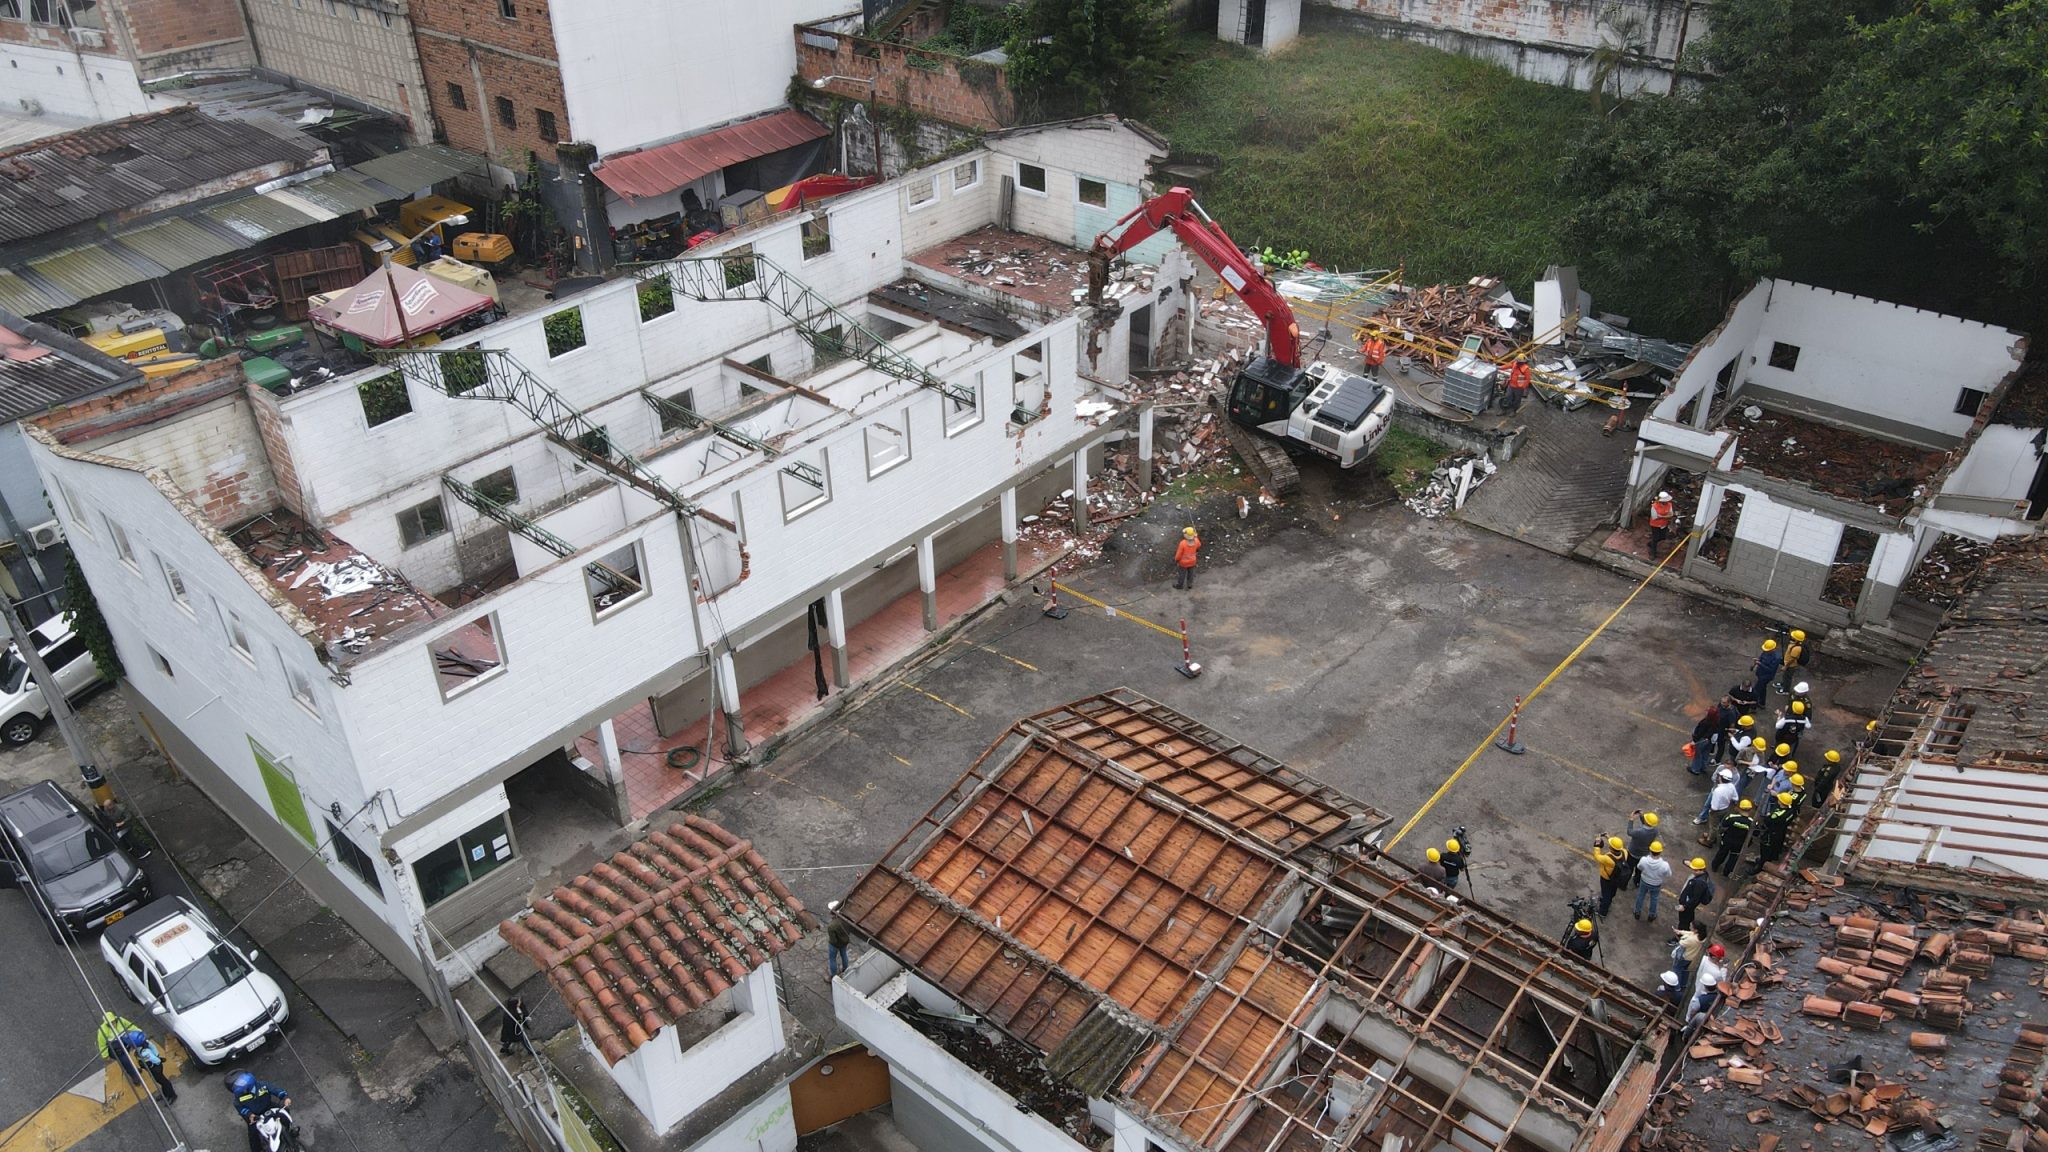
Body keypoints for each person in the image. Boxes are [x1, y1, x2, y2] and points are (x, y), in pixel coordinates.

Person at [229, 1070, 295, 1152]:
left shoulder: (263, 1085)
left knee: (285, 1111)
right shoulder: (238, 1097)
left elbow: (275, 1090)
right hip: (255, 1115)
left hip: (268, 1106)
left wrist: (285, 1097)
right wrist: (249, 1114)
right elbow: (241, 1108)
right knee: (253, 1135)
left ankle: (288, 1130)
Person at [120, 1028, 176, 1105]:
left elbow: (157, 1060)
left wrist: (151, 1064)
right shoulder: (145, 1044)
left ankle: (172, 1095)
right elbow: (153, 1048)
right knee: (161, 1082)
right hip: (153, 1067)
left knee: (163, 1082)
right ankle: (165, 1094)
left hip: (155, 1069)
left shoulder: (144, 1053)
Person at [96, 1011, 143, 1082]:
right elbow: (102, 1044)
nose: (112, 1024)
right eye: (109, 1024)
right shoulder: (102, 1030)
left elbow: (130, 1026)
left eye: (113, 1022)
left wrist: (139, 1032)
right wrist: (105, 1056)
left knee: (128, 1058)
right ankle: (135, 1077)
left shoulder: (121, 1020)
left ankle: (134, 1069)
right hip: (116, 1049)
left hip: (124, 1042)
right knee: (125, 1062)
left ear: (115, 1019)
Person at [1712, 799, 1756, 877]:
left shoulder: (1732, 817)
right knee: (1733, 858)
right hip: (1740, 844)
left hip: (1727, 840)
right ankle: (1726, 872)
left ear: (1739, 808)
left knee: (1721, 854)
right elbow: (1756, 833)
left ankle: (1714, 867)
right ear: (1750, 810)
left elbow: (1724, 825)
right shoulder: (1752, 823)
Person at [1689, 698, 1729, 776]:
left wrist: (1694, 740)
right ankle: (1703, 767)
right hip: (1710, 740)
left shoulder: (1706, 722)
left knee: (1698, 754)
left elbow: (1699, 733)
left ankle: (1695, 769)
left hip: (1702, 740)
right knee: (1705, 754)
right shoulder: (1717, 721)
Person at [1633, 841, 1672, 921]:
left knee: (1641, 895)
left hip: (1644, 881)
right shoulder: (1664, 865)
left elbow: (1639, 867)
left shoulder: (1644, 860)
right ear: (1660, 852)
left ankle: (1637, 912)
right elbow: (1668, 874)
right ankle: (1652, 915)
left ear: (1650, 850)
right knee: (1654, 899)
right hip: (1656, 884)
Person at [1676, 858, 1715, 931]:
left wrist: (1684, 906)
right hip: (1688, 905)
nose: (1693, 871)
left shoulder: (1699, 884)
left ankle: (1680, 937)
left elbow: (1695, 899)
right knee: (1689, 919)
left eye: (1695, 870)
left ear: (1701, 870)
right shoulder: (1704, 874)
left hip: (1687, 906)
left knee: (1683, 922)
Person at [1696, 767, 1739, 834]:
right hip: (1725, 808)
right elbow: (1735, 798)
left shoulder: (1718, 791)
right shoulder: (1731, 786)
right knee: (1719, 824)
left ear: (1720, 778)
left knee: (1713, 826)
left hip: (1717, 811)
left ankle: (1710, 840)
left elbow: (1714, 807)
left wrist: (1711, 812)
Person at [1623, 812, 1659, 888]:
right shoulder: (1655, 830)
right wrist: (1641, 816)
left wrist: (1631, 820)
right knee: (1639, 870)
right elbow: (1647, 824)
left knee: (1629, 869)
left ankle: (1624, 884)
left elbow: (1629, 832)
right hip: (1644, 854)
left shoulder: (1639, 832)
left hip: (1633, 853)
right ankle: (1637, 882)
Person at [1594, 836, 1626, 917]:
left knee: (1606, 894)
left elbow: (1597, 856)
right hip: (1617, 877)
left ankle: (1602, 912)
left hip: (1606, 879)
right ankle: (1608, 900)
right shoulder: (1624, 853)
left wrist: (1597, 846)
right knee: (1612, 891)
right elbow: (1618, 846)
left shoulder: (1607, 859)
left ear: (1611, 847)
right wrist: (1608, 837)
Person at [1751, 639, 1783, 703]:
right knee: (1763, 688)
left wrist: (1760, 664)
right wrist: (1758, 660)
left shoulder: (1776, 658)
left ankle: (1753, 705)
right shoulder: (1766, 651)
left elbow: (1771, 669)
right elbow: (1762, 657)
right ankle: (1762, 702)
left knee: (1756, 690)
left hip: (1766, 676)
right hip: (1760, 673)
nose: (1765, 651)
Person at [826, 900, 851, 978]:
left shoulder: (831, 926)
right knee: (844, 955)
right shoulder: (846, 919)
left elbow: (833, 940)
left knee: (832, 959)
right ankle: (845, 969)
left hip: (835, 945)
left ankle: (833, 975)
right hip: (845, 941)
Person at [1647, 490, 1676, 556]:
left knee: (1663, 537)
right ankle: (1652, 553)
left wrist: (1661, 516)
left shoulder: (1669, 504)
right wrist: (1666, 516)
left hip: (1664, 524)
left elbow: (1671, 514)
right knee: (1655, 538)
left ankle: (1651, 543)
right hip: (1655, 525)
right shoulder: (1654, 506)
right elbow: (1655, 517)